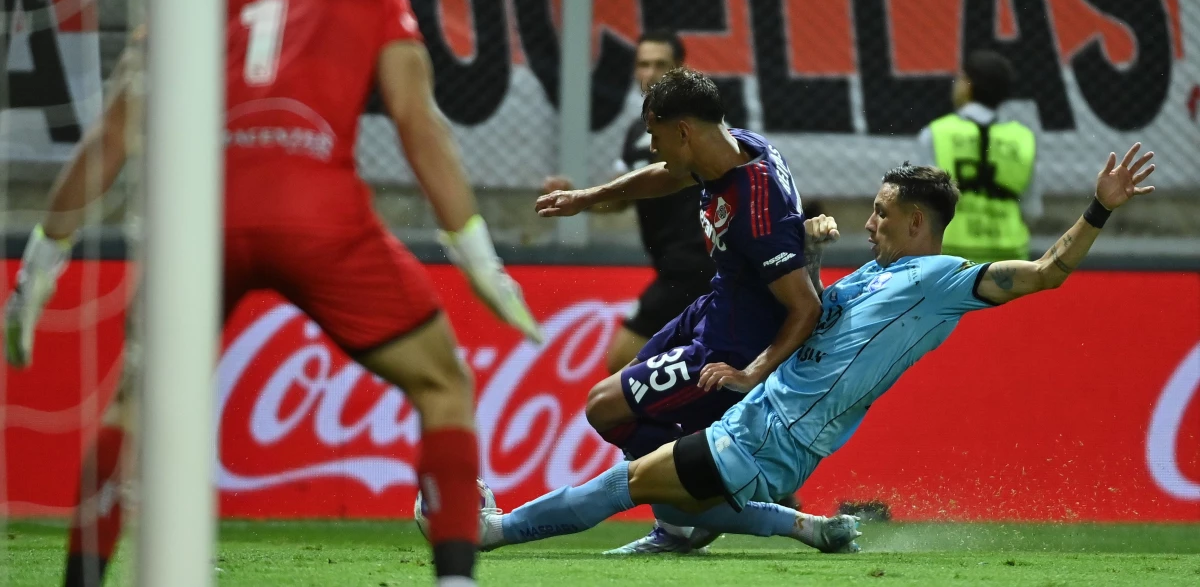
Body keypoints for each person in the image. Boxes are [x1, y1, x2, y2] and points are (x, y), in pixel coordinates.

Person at [3, 0, 541, 585]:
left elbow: (113, 134)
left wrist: (41, 262)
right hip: (326, 220)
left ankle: (81, 577)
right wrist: (480, 258)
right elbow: (419, 126)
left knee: (133, 403)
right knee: (444, 385)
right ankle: (455, 577)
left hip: (205, 220)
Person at [486, 143, 1155, 554]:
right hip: (756, 421)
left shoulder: (942, 279)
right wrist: (810, 246)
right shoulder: (870, 274)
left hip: (769, 439)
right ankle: (805, 527)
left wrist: (1098, 209)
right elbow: (808, 312)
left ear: (917, 221)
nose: (871, 222)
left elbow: (1046, 272)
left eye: (882, 213)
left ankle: (495, 531)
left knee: (625, 481)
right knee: (666, 497)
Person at [535, 68, 823, 553]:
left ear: (683, 131)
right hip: (712, 310)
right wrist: (588, 197)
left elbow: (805, 307)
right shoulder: (735, 146)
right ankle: (691, 507)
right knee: (620, 394)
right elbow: (669, 175)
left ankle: (703, 506)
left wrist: (750, 374)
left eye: (654, 134)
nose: (652, 145)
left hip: (733, 344)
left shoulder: (757, 206)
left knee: (604, 407)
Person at [542, 29, 714, 376]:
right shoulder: (641, 134)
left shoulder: (698, 125)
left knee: (623, 364)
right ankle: (693, 428)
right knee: (677, 372)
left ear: (680, 68)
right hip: (672, 270)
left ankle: (688, 429)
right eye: (643, 65)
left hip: (698, 268)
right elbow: (621, 201)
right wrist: (581, 198)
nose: (649, 74)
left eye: (660, 65)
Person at [917, 50, 1042, 262]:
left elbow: (922, 203)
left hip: (949, 252)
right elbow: (1032, 211)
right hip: (1009, 253)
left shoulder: (936, 133)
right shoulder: (1024, 138)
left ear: (968, 85)